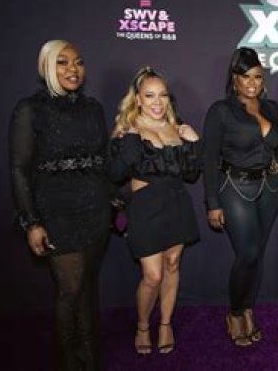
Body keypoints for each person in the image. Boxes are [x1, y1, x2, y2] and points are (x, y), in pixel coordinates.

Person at [9, 40, 111, 370]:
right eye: (62, 62)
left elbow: (103, 160)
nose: (73, 69)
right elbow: (19, 169)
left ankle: (91, 359)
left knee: (88, 289)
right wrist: (31, 221)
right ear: (46, 68)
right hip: (56, 210)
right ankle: (67, 361)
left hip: (95, 207)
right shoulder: (30, 109)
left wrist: (114, 201)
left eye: (78, 62)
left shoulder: (93, 108)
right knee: (70, 288)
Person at [108, 66, 201, 355]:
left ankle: (165, 324)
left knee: (172, 264)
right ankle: (142, 326)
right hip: (145, 207)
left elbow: (191, 175)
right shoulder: (128, 130)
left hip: (176, 203)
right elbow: (114, 174)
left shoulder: (177, 128)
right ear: (138, 99)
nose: (157, 102)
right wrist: (130, 141)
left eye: (163, 95)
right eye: (150, 95)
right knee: (152, 275)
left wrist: (194, 142)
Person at [202, 47, 278, 347]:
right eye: (246, 77)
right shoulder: (220, 111)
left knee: (258, 254)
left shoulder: (273, 109)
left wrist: (259, 117)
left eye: (258, 77)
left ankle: (249, 309)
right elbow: (209, 158)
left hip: (268, 189)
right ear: (234, 79)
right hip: (234, 187)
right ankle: (235, 312)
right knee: (247, 253)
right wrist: (212, 203)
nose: (252, 83)